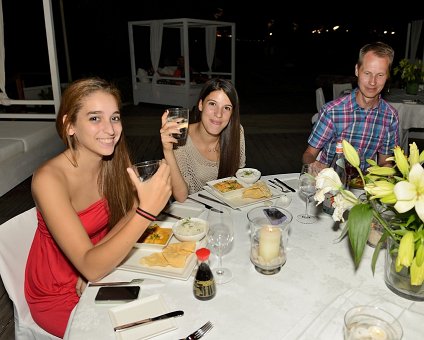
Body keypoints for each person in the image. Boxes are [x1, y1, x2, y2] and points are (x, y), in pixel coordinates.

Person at [24, 77, 171, 338]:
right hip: (57, 294)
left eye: (114, 117)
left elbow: (122, 222)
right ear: (69, 125)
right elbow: (91, 263)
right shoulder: (49, 179)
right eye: (95, 118)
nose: (110, 129)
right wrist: (145, 212)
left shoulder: (113, 159)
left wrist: (94, 265)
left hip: (100, 268)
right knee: (134, 331)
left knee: (163, 309)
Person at [302, 41, 399, 175]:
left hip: (363, 186)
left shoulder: (390, 116)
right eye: (367, 73)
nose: (372, 82)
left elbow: (384, 162)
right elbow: (309, 154)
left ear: (387, 76)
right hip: (328, 183)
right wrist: (312, 164)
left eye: (380, 75)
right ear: (356, 70)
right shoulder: (332, 111)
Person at [160, 78, 246, 202]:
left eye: (226, 108)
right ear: (200, 105)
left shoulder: (237, 133)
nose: (218, 114)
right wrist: (167, 150)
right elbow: (181, 197)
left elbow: (241, 178)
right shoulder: (181, 139)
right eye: (212, 104)